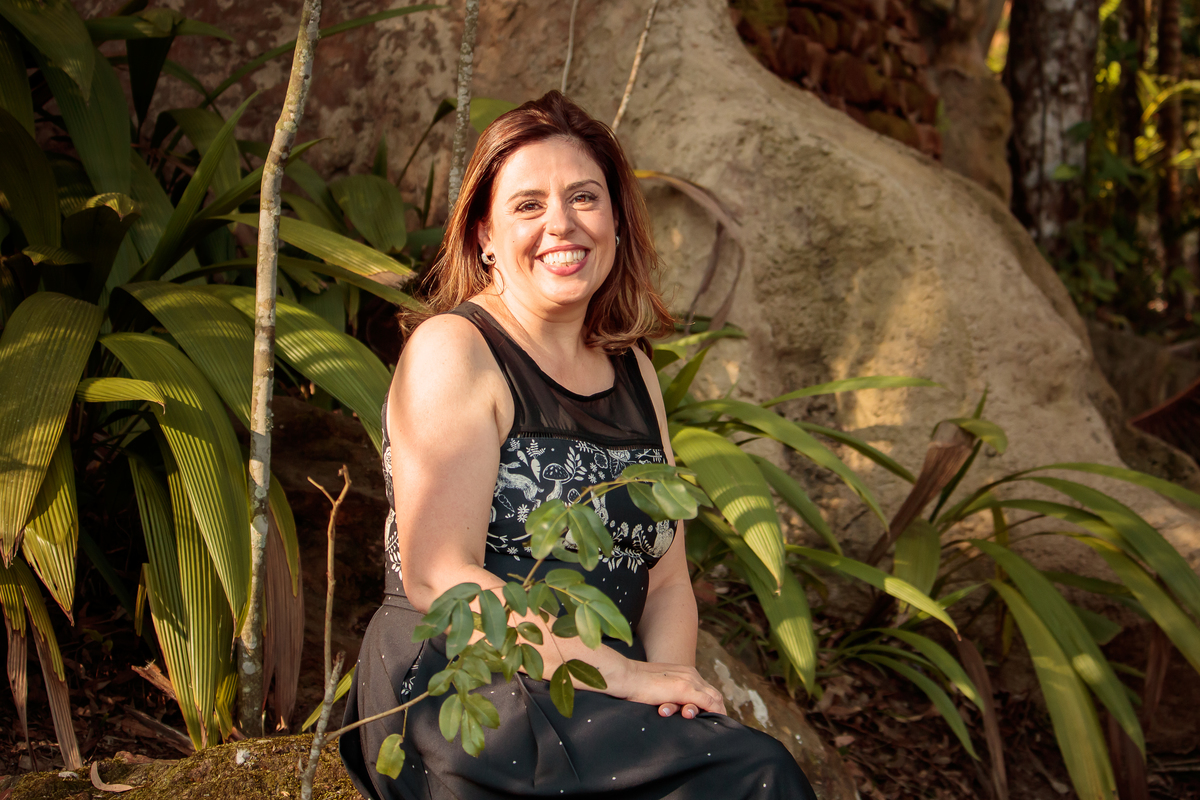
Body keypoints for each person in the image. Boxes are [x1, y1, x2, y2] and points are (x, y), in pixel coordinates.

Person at [339, 91, 816, 800]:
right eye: (528, 204)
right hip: (471, 679)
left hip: (599, 695)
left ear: (617, 221)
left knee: (736, 767)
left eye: (584, 197)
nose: (560, 223)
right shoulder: (456, 349)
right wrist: (622, 676)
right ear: (484, 236)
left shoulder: (635, 372)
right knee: (758, 775)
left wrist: (673, 691)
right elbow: (439, 574)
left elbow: (667, 579)